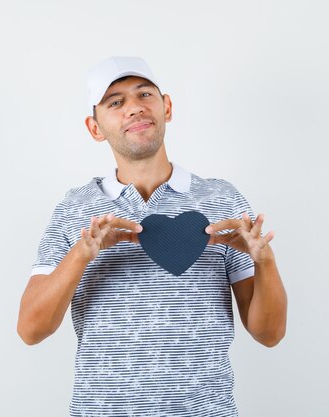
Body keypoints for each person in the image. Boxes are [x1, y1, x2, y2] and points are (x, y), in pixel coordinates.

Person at [17, 56, 287, 416]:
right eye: (116, 102)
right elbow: (31, 330)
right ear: (95, 127)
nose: (134, 108)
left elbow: (269, 334)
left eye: (145, 94)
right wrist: (82, 254)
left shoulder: (223, 200)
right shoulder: (74, 209)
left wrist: (264, 261)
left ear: (167, 107)